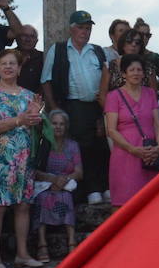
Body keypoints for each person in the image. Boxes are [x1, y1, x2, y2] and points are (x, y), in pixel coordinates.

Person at [0, 50, 42, 268]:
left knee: (23, 205)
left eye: (12, 63)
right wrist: (19, 119)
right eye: (3, 63)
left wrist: (34, 116)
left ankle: (22, 254)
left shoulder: (28, 95)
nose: (8, 67)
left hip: (24, 156)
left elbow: (32, 125)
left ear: (19, 68)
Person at [41, 10, 109, 206]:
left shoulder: (97, 50)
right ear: (71, 29)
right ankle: (91, 190)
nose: (85, 32)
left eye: (88, 28)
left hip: (97, 106)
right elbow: (46, 80)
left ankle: (104, 186)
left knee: (102, 145)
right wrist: (54, 108)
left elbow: (106, 76)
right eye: (81, 27)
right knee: (83, 148)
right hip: (73, 106)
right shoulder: (59, 49)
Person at [105, 55, 159, 207]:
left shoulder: (150, 93)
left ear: (144, 73)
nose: (136, 73)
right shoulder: (113, 96)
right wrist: (132, 149)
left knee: (151, 204)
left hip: (150, 156)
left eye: (139, 70)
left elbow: (157, 123)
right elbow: (111, 130)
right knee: (123, 205)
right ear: (124, 73)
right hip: (126, 155)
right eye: (132, 70)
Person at [32, 109, 80, 260]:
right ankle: (42, 244)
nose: (58, 127)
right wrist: (52, 180)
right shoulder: (43, 144)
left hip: (65, 185)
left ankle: (72, 242)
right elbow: (35, 172)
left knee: (66, 197)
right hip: (45, 185)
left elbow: (79, 172)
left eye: (61, 124)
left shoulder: (72, 146)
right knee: (43, 198)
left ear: (66, 127)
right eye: (54, 123)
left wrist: (62, 180)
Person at [104, 28, 158, 94]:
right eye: (129, 41)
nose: (133, 44)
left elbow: (153, 94)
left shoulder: (149, 67)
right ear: (122, 43)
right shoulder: (110, 66)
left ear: (141, 46)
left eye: (137, 42)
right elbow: (102, 95)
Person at [13, 25, 44, 95]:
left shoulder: (44, 58)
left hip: (36, 102)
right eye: (24, 35)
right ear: (17, 38)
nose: (28, 39)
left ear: (36, 41)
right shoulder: (6, 57)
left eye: (32, 36)